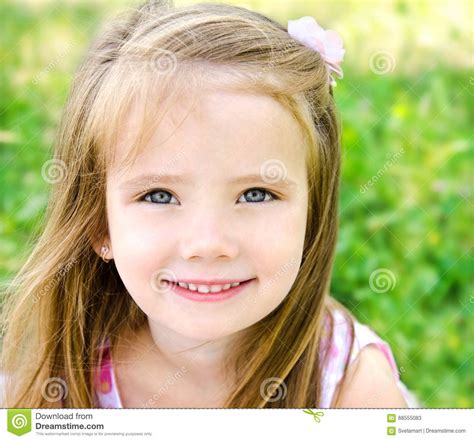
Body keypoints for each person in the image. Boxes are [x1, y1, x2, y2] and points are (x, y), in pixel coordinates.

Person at [0, 0, 421, 408]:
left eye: (256, 194)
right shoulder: (58, 381)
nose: (208, 243)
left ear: (312, 212)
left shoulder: (351, 392)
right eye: (159, 195)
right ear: (98, 224)